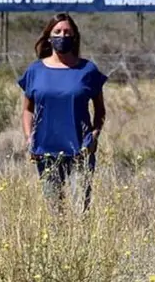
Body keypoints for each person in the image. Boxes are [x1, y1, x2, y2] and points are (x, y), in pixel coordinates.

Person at [17, 13, 107, 215]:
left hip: (79, 150)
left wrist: (94, 134)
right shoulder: (35, 70)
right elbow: (27, 109)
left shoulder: (87, 70)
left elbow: (100, 110)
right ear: (49, 36)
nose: (62, 36)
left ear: (74, 36)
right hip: (46, 150)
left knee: (79, 211)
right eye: (57, 32)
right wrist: (28, 137)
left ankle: (80, 246)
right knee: (53, 212)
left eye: (67, 32)